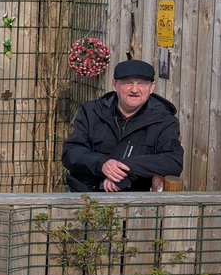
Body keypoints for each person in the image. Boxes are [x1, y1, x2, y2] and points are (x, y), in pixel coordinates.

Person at [62, 59, 183, 192]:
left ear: (151, 87)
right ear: (115, 85)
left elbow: (173, 161)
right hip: (85, 193)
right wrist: (102, 164)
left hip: (134, 199)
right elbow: (71, 153)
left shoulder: (165, 121)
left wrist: (126, 169)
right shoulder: (91, 111)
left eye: (142, 84)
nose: (135, 89)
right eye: (128, 83)